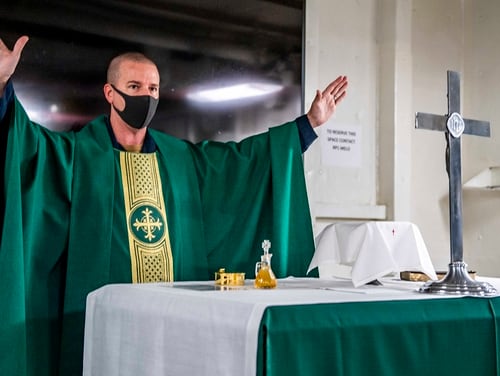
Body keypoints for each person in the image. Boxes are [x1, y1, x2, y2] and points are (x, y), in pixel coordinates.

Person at [0, 35, 348, 376]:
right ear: (111, 93)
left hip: (171, 328)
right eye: (134, 87)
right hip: (102, 326)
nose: (146, 96)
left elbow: (242, 164)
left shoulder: (181, 161)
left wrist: (308, 125)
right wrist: (2, 85)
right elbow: (26, 148)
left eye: (153, 89)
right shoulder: (76, 157)